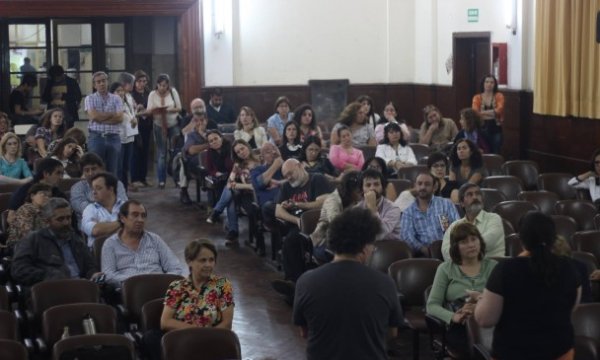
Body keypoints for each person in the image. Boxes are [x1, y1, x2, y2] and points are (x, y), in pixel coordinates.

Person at [293, 207, 403, 360]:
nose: (373, 250)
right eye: (373, 246)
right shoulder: (385, 284)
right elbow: (392, 333)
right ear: (365, 247)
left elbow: (304, 332)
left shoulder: (306, 281)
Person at [475, 212, 581, 360]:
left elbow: (485, 320)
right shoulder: (569, 268)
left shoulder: (505, 270)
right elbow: (571, 307)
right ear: (553, 238)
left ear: (522, 240)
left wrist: (482, 299)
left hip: (513, 354)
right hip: (560, 353)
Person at [142, 239, 234, 360]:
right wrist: (196, 333)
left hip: (211, 342)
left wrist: (206, 337)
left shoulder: (223, 285)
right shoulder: (177, 287)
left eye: (211, 260)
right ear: (189, 261)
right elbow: (166, 322)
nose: (208, 265)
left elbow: (226, 324)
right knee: (151, 337)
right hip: (182, 341)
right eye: (203, 260)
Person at [426, 222, 497, 357]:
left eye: (474, 239)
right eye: (464, 242)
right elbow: (432, 305)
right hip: (460, 325)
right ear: (456, 247)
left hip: (489, 323)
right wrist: (454, 317)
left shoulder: (493, 266)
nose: (471, 244)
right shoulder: (445, 269)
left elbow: (506, 300)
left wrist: (481, 301)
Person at [11, 197, 101, 287]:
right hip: (50, 290)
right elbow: (18, 270)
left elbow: (90, 266)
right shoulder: (33, 240)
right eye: (60, 219)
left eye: (68, 218)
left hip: (81, 286)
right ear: (47, 221)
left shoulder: (76, 239)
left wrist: (93, 274)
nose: (66, 223)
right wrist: (48, 276)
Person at [101, 200, 186, 288]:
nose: (140, 220)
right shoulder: (110, 244)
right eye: (135, 215)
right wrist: (136, 282)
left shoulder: (154, 239)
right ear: (122, 218)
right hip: (129, 291)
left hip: (158, 288)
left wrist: (162, 281)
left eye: (143, 216)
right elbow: (109, 275)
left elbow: (175, 268)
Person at [274, 159, 332, 283]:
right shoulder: (286, 186)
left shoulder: (317, 179)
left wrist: (297, 205)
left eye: (290, 173)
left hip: (319, 222)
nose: (289, 178)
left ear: (300, 166)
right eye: (286, 176)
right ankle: (293, 281)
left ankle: (296, 282)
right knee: (290, 240)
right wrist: (296, 220)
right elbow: (278, 211)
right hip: (299, 223)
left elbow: (322, 204)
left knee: (292, 241)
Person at [207, 140, 260, 245]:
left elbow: (260, 184)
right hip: (247, 194)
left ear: (247, 146)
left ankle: (218, 212)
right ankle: (229, 226)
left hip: (259, 191)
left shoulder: (260, 159)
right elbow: (230, 183)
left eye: (242, 148)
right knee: (230, 192)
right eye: (238, 152)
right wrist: (237, 185)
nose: (241, 152)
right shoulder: (238, 165)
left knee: (231, 198)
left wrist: (240, 185)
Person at [400, 172, 460, 256]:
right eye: (419, 184)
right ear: (415, 186)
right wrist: (422, 249)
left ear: (434, 187)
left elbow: (457, 227)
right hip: (422, 255)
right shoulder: (408, 212)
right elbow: (406, 236)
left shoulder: (446, 204)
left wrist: (448, 246)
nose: (423, 187)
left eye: (427, 184)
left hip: (449, 251)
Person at [441, 183, 505, 261]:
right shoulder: (454, 226)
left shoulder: (494, 218)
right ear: (462, 203)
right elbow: (445, 251)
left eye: (478, 194)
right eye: (469, 194)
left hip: (492, 269)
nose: (475, 197)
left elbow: (488, 242)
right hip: (463, 270)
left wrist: (461, 251)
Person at [310, 171, 363, 263]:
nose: (362, 194)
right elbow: (337, 225)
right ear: (349, 190)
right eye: (358, 191)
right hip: (324, 242)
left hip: (347, 240)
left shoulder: (356, 201)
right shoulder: (333, 200)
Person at [70, 153, 127, 227]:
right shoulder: (77, 188)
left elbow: (123, 204)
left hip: (117, 223)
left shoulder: (116, 184)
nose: (90, 173)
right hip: (90, 226)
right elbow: (82, 208)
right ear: (83, 172)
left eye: (94, 169)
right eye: (87, 170)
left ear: (101, 168)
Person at [146, 74, 182, 189]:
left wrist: (169, 109)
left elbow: (179, 107)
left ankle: (177, 179)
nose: (163, 88)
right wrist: (157, 110)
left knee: (175, 153)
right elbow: (149, 110)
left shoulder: (173, 92)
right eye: (161, 85)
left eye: (165, 85)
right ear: (157, 85)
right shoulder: (152, 94)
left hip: (173, 124)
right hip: (159, 125)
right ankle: (161, 181)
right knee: (162, 153)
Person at [85, 71, 124, 175]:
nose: (101, 84)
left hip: (113, 138)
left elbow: (120, 118)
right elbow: (94, 116)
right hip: (96, 137)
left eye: (103, 81)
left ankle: (112, 191)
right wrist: (112, 114)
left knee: (113, 171)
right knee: (95, 170)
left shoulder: (117, 98)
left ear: (108, 82)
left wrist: (101, 117)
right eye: (98, 82)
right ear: (94, 85)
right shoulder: (90, 98)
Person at [250, 142, 285, 255]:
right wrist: (275, 165)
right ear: (262, 157)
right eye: (269, 151)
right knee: (271, 206)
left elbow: (295, 179)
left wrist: (279, 182)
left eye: (274, 149)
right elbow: (260, 183)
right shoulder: (257, 170)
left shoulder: (285, 168)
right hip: (268, 208)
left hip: (287, 203)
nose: (274, 152)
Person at [81, 172, 126, 248]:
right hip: (100, 253)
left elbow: (135, 229)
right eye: (93, 189)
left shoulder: (127, 206)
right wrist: (122, 222)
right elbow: (95, 230)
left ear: (111, 189)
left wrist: (105, 228)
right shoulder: (90, 209)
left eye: (98, 188)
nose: (94, 192)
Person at [358, 169, 402, 241]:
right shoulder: (357, 209)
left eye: (376, 184)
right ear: (362, 189)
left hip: (389, 248)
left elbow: (380, 233)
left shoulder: (393, 209)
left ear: (382, 187)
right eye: (368, 185)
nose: (372, 188)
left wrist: (372, 207)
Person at [178, 110, 211, 205]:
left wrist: (203, 137)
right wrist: (209, 145)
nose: (199, 123)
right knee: (183, 161)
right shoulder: (191, 134)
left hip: (211, 160)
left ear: (206, 121)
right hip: (194, 160)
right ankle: (184, 190)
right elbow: (191, 150)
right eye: (196, 121)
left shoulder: (211, 133)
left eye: (202, 120)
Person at [7, 183, 51, 249]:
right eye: (43, 194)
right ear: (32, 196)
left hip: (40, 244)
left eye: (49, 196)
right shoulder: (26, 209)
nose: (47, 198)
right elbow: (27, 234)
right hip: (20, 246)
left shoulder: (46, 211)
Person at [114, 74, 139, 191]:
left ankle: (125, 190)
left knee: (126, 166)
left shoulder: (128, 97)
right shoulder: (114, 100)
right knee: (119, 166)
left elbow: (131, 112)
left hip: (130, 134)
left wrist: (134, 119)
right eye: (131, 83)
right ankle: (119, 190)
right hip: (119, 135)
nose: (133, 86)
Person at [130, 70, 153, 188]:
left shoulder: (149, 93)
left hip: (147, 125)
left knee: (145, 152)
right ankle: (135, 178)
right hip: (135, 126)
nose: (142, 84)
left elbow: (152, 108)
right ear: (135, 82)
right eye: (139, 81)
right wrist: (139, 110)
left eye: (144, 81)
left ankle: (143, 177)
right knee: (136, 152)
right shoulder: (131, 94)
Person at [472, 74, 505, 154]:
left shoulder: (499, 96)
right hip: (481, 128)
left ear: (495, 85)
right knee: (483, 151)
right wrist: (492, 113)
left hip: (496, 129)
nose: (489, 84)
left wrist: (482, 113)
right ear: (483, 83)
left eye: (491, 82)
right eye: (486, 82)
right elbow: (475, 112)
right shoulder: (477, 97)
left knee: (495, 151)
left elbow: (499, 110)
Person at [204, 130, 233, 205]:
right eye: (211, 141)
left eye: (216, 138)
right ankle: (215, 206)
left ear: (221, 138)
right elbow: (209, 169)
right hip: (220, 177)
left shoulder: (231, 148)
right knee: (216, 182)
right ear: (209, 144)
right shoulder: (209, 152)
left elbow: (232, 165)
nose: (214, 142)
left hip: (232, 175)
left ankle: (219, 208)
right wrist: (216, 173)